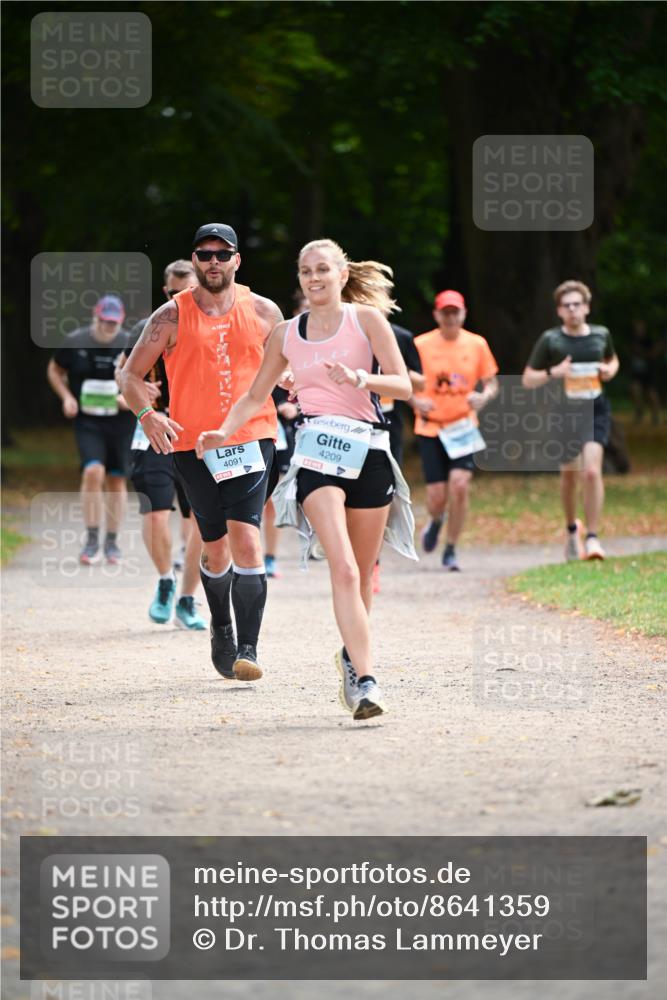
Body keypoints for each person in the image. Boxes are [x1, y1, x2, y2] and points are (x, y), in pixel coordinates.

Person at [196, 238, 414, 721]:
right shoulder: (286, 334)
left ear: (341, 274)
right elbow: (256, 395)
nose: (313, 278)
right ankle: (368, 679)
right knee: (345, 569)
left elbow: (404, 385)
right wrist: (223, 431)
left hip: (370, 451)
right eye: (305, 271)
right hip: (316, 455)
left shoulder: (368, 322)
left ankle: (351, 662)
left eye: (322, 270)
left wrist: (362, 380)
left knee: (362, 577)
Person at [120, 223, 283, 680]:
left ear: (236, 260)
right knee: (213, 548)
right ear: (194, 261)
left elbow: (289, 365)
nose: (213, 261)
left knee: (246, 538)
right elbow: (131, 376)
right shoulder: (170, 315)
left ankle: (248, 649)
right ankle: (222, 626)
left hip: (252, 437)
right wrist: (147, 416)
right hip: (190, 443)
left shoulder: (265, 311)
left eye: (222, 253)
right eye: (204, 253)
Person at [118, 259, 205, 629]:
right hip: (154, 431)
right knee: (154, 512)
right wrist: (140, 397)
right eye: (173, 292)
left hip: (198, 432)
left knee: (201, 519)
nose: (180, 297)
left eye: (188, 290)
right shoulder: (149, 327)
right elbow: (124, 379)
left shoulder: (214, 326)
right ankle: (166, 581)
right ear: (165, 292)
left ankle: (187, 598)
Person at [522, 279, 619, 561]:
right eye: (567, 306)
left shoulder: (601, 335)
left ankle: (593, 538)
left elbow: (613, 360)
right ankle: (571, 530)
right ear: (559, 311)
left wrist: (609, 370)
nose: (573, 310)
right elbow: (528, 379)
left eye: (578, 304)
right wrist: (555, 372)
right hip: (563, 414)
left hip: (595, 410)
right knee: (569, 475)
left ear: (587, 307)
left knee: (591, 471)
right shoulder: (551, 340)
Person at [412, 290, 499, 571]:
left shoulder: (477, 344)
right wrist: (414, 400)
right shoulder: (420, 344)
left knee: (460, 487)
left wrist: (483, 397)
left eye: (455, 312)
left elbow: (492, 383)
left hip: (463, 425)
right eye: (445, 312)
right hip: (431, 427)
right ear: (437, 315)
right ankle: (436, 520)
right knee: (437, 496)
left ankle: (450, 548)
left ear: (463, 314)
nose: (450, 317)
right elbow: (402, 381)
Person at [47, 294, 134, 564]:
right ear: (95, 318)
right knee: (93, 471)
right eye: (104, 321)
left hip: (121, 421)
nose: (109, 327)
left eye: (114, 323)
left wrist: (129, 399)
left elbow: (147, 378)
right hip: (89, 421)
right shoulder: (76, 341)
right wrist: (67, 397)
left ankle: (112, 542)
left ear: (120, 322)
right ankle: (92, 538)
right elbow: (54, 370)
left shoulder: (130, 343)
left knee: (117, 479)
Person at [629, 319, 661, 426]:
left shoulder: (648, 340)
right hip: (637, 371)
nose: (638, 330)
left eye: (640, 328)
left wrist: (641, 352)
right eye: (636, 328)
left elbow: (653, 353)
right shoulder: (633, 340)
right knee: (634, 389)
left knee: (651, 393)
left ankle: (656, 415)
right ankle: (639, 411)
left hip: (648, 371)